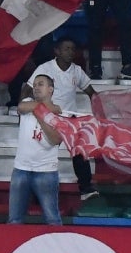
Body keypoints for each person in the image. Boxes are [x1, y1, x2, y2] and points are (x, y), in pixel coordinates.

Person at [31, 38, 97, 200]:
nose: (70, 52)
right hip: (49, 118)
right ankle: (36, 193)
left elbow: (91, 92)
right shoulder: (45, 68)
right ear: (57, 51)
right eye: (66, 49)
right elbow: (27, 89)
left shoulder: (77, 71)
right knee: (41, 155)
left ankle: (86, 189)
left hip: (69, 120)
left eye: (73, 49)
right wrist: (26, 112)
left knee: (80, 151)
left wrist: (99, 106)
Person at [12, 73, 67, 226]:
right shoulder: (28, 102)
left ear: (51, 89)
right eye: (35, 85)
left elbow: (55, 140)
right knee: (14, 220)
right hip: (21, 169)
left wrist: (40, 114)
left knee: (52, 219)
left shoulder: (59, 114)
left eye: (40, 84)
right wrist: (45, 109)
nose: (36, 87)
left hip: (46, 171)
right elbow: (21, 107)